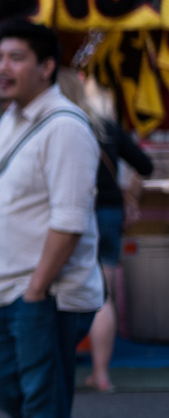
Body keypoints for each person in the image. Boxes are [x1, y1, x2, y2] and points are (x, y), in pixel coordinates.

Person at [0, 20, 122, 418]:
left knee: (42, 404)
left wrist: (37, 289)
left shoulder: (66, 126)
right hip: (1, 289)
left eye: (16, 58)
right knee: (3, 390)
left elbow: (68, 220)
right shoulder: (12, 117)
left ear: (45, 67)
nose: (2, 68)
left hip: (44, 294)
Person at [57, 71, 154, 395]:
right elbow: (145, 165)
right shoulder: (106, 127)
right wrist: (131, 198)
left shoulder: (56, 127)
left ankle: (61, 371)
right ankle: (101, 374)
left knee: (61, 290)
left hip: (71, 211)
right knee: (103, 296)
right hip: (110, 212)